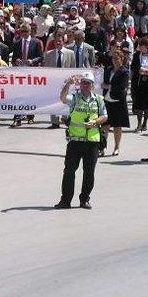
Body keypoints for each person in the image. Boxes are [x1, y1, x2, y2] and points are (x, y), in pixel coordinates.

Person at [54, 72, 107, 210]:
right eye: (83, 82)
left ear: (92, 85)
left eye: (88, 83)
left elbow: (105, 116)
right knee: (69, 172)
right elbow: (62, 98)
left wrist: (95, 122)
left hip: (92, 141)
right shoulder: (75, 98)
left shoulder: (98, 99)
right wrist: (68, 84)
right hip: (75, 141)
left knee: (89, 172)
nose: (85, 85)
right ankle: (65, 201)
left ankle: (84, 199)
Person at [102, 49, 129, 156]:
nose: (115, 60)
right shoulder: (108, 70)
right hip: (107, 100)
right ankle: (102, 147)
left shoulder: (124, 71)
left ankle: (116, 147)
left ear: (122, 59)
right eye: (113, 58)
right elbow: (101, 79)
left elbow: (122, 87)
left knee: (117, 126)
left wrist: (108, 86)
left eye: (117, 58)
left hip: (118, 101)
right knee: (105, 125)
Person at [44, 36, 74, 128]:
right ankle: (54, 122)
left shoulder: (70, 53)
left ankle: (66, 118)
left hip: (66, 82)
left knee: (66, 99)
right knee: (53, 100)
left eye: (59, 41)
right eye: (56, 41)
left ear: (63, 42)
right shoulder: (49, 54)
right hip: (53, 82)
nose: (57, 43)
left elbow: (73, 68)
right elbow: (46, 68)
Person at [130, 37, 148, 132]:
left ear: (147, 46)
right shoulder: (136, 55)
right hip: (139, 82)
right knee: (139, 104)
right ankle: (139, 123)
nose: (141, 47)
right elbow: (133, 67)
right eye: (140, 46)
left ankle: (145, 123)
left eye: (143, 46)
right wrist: (140, 70)